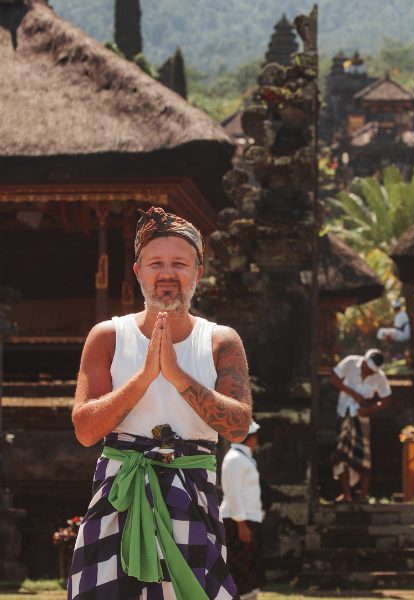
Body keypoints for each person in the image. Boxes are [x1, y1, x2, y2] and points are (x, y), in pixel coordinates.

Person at [69, 207, 252, 600]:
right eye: (156, 263)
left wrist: (177, 375)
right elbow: (85, 430)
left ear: (197, 273)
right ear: (139, 271)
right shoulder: (108, 336)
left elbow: (237, 427)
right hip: (120, 491)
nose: (168, 272)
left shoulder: (220, 340)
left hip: (192, 495)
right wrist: (145, 377)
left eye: (179, 263)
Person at [330, 349, 391, 503]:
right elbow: (334, 379)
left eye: (371, 371)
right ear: (363, 362)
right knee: (343, 453)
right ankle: (346, 493)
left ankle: (363, 494)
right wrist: (353, 394)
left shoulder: (379, 378)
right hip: (344, 412)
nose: (368, 372)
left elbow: (386, 400)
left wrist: (369, 410)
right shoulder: (350, 362)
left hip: (361, 418)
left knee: (363, 456)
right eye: (366, 368)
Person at [220, 421, 264, 600]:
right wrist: (241, 524)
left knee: (249, 568)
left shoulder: (243, 458)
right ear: (251, 439)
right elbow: (233, 493)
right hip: (237, 520)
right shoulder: (235, 459)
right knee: (239, 569)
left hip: (248, 519)